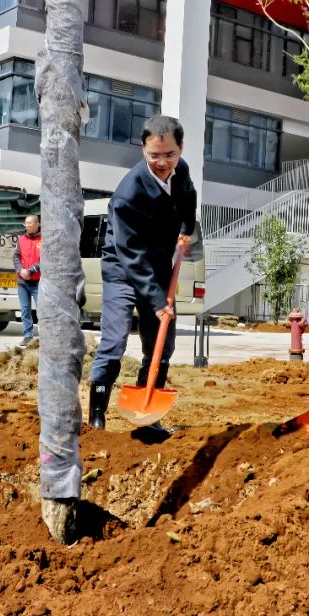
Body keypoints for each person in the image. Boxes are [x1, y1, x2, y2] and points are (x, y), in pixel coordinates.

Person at [87, 115, 197, 435]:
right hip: (123, 269)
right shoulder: (128, 194)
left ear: (180, 149)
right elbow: (130, 254)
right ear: (142, 149)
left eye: (169, 155)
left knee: (162, 345)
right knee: (115, 339)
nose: (162, 162)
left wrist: (187, 230)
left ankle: (148, 416)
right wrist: (156, 299)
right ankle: (97, 413)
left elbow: (188, 198)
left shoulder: (182, 170)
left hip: (160, 265)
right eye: (154, 155)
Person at [14, 214, 41, 347]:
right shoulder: (21, 239)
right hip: (22, 281)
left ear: (37, 224)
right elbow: (16, 257)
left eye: (30, 223)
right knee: (25, 309)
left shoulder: (44, 240)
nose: (27, 225)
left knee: (42, 310)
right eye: (26, 223)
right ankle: (28, 336)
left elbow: (45, 260)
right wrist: (21, 270)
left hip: (37, 281)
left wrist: (31, 270)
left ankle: (45, 336)